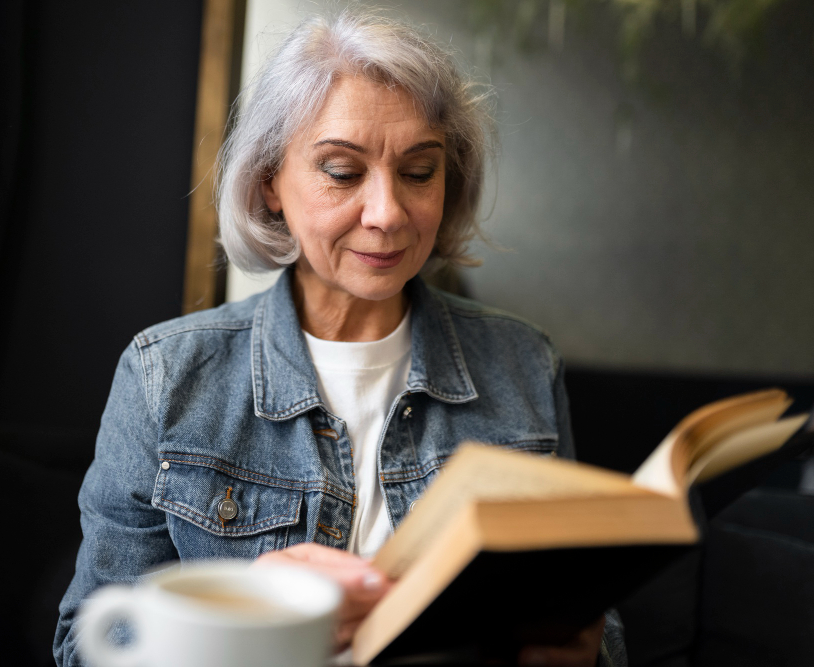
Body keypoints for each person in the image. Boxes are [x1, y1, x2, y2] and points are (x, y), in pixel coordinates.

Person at [55, 9, 626, 667]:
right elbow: (86, 645)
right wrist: (245, 617)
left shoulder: (525, 363)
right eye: (342, 170)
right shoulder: (165, 376)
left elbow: (592, 615)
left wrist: (588, 649)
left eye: (418, 172)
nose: (386, 214)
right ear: (271, 182)